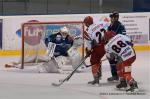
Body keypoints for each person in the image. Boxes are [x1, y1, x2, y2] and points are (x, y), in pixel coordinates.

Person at [83, 16, 109, 85]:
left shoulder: (87, 31)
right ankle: (99, 74)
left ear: (87, 24)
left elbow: (89, 45)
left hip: (98, 48)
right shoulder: (101, 23)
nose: (85, 25)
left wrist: (88, 51)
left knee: (93, 62)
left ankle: (96, 79)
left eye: (85, 23)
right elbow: (110, 26)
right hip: (107, 45)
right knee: (98, 59)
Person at [107, 11, 126, 82]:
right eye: (111, 17)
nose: (110, 18)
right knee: (111, 61)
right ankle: (114, 76)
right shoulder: (110, 26)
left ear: (116, 17)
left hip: (119, 48)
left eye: (112, 17)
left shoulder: (121, 26)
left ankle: (122, 77)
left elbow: (123, 36)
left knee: (119, 62)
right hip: (112, 48)